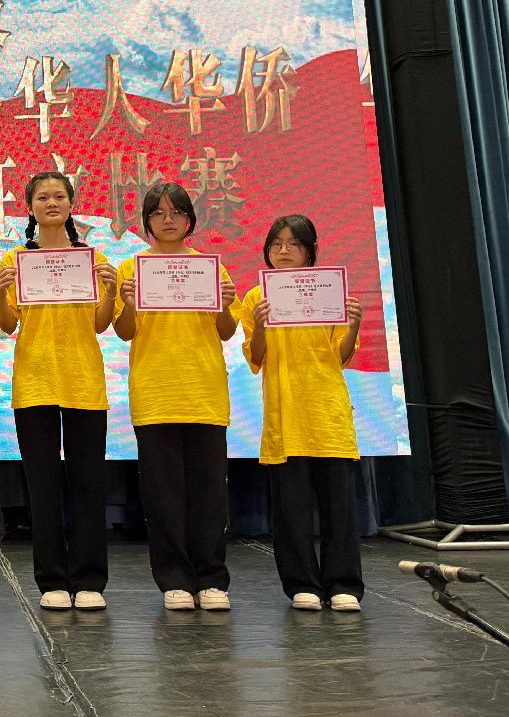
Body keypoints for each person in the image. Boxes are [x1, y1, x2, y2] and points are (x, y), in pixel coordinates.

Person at [0, 173, 119, 611]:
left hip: (84, 381)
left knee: (88, 482)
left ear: (70, 204)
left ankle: (89, 580)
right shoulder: (15, 259)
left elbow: (101, 323)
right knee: (42, 485)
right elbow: (7, 323)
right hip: (35, 381)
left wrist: (111, 290)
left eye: (59, 196)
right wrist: (2, 291)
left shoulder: (93, 258)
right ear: (29, 207)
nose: (51, 203)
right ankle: (51, 581)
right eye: (42, 197)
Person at [114, 182, 238, 612]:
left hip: (204, 390)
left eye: (177, 212)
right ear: (147, 221)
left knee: (209, 492)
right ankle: (174, 580)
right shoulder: (132, 268)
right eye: (158, 213)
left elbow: (226, 331)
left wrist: (224, 304)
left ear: (190, 219)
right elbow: (124, 331)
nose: (168, 220)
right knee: (163, 495)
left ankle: (211, 578)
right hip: (155, 391)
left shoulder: (210, 268)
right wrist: (129, 302)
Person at [240, 215, 366, 612]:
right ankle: (302, 585)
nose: (284, 251)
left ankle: (343, 584)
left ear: (310, 251)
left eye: (294, 244)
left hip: (327, 412)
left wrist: (353, 325)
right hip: (285, 413)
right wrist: (260, 325)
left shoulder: (329, 290)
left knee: (338, 507)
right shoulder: (255, 298)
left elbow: (341, 356)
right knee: (290, 509)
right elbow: (256, 356)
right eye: (276, 243)